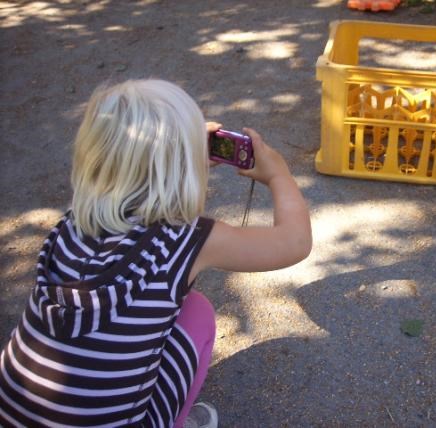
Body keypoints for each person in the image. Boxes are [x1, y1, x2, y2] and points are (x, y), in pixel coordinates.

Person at [0, 79, 312, 427]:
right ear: (184, 170)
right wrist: (279, 174)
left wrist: (177, 157)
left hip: (12, 411)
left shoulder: (74, 223)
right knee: (197, 312)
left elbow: (136, 175)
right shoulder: (187, 240)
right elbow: (294, 243)